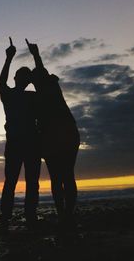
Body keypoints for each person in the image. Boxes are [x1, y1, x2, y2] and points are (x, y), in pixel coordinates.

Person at [26, 39, 80, 228]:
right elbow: (40, 71)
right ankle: (64, 214)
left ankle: (66, 214)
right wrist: (35, 55)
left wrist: (36, 55)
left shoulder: (49, 86)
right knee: (61, 177)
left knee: (62, 177)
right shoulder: (44, 91)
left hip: (63, 133)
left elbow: (40, 70)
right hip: (58, 135)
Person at [0, 37, 41, 226]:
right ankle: (13, 215)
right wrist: (9, 58)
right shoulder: (14, 95)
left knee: (25, 182)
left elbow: (2, 82)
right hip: (20, 144)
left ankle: (25, 215)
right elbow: (2, 82)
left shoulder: (33, 97)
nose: (23, 79)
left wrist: (11, 58)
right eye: (22, 76)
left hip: (29, 144)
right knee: (16, 182)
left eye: (25, 77)